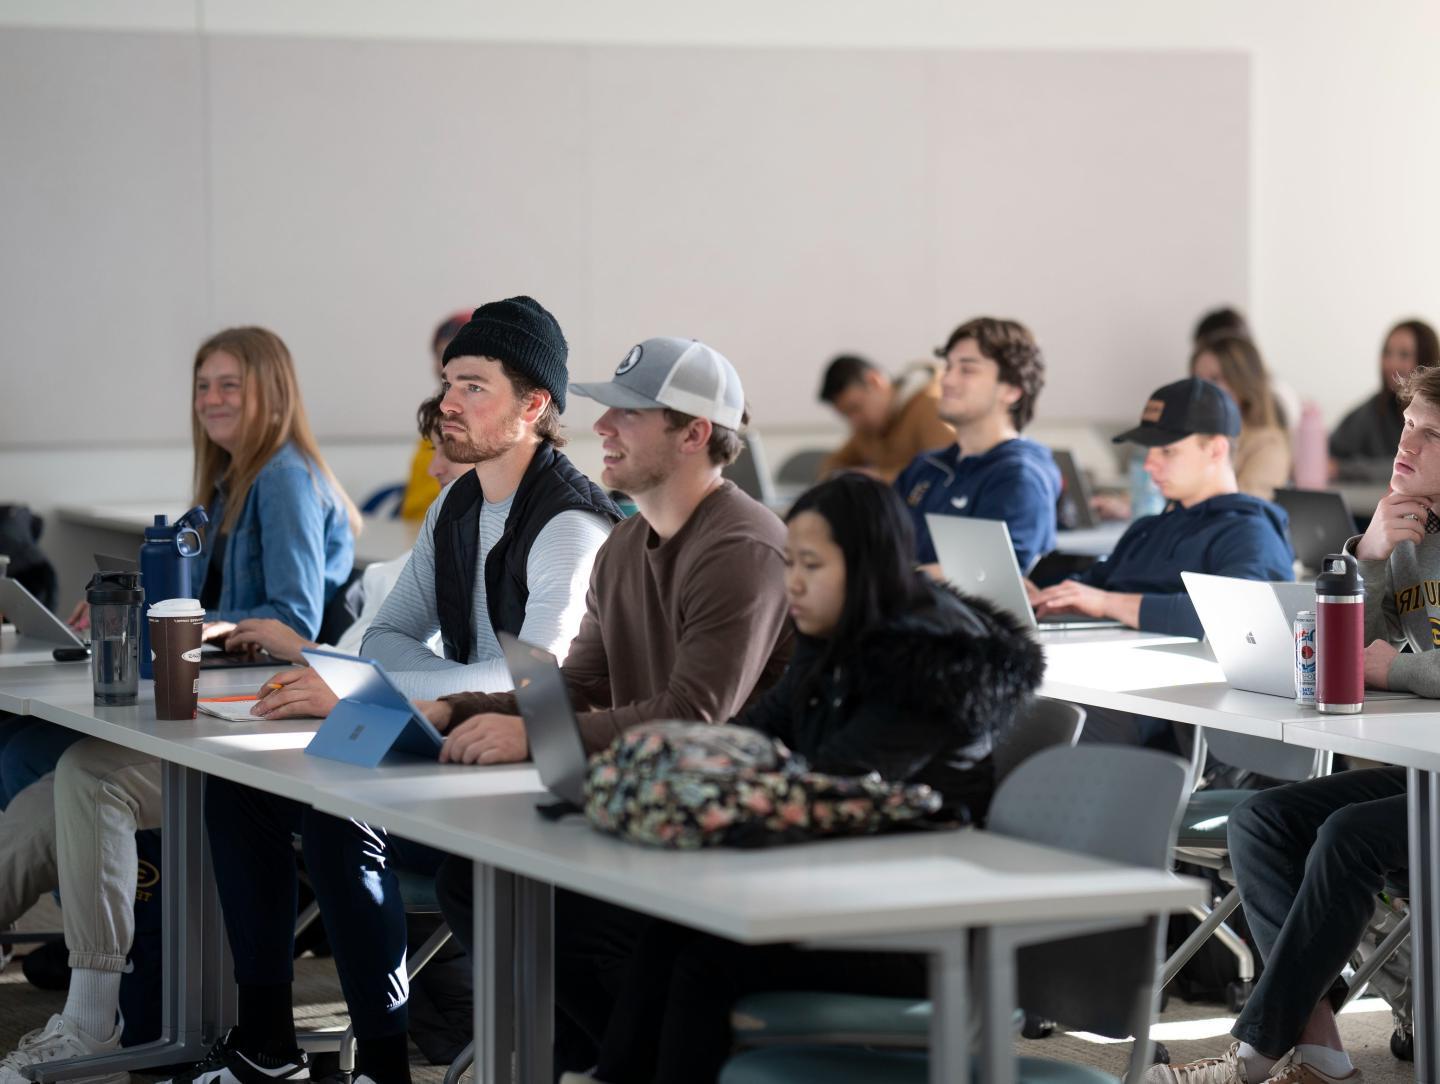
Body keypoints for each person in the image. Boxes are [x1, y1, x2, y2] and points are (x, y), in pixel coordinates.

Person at [184, 297, 620, 1084]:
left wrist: (384, 694)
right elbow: (387, 634)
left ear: (535, 406)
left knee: (335, 802)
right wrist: (397, 694)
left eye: (475, 386)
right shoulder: (459, 500)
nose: (448, 401)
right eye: (449, 380)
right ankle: (266, 1044)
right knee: (244, 784)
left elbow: (536, 685)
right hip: (441, 733)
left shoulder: (570, 525)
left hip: (522, 764)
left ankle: (382, 1066)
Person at [562, 473, 1045, 1084]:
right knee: (665, 931)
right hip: (841, 888)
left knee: (706, 962)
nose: (792, 582)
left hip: (921, 925)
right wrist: (680, 759)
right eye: (790, 561)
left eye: (811, 565)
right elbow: (755, 734)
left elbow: (828, 786)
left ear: (868, 566)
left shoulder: (933, 668)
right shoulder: (839, 630)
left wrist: (708, 783)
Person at [0, 327, 358, 1084]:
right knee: (40, 776)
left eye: (230, 384)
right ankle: (93, 999)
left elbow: (292, 622)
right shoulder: (230, 484)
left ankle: (99, 1007)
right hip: (216, 712)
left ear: (272, 392)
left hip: (256, 732)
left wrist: (198, 621)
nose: (212, 400)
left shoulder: (284, 480)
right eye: (203, 386)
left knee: (64, 767)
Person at [427, 336, 794, 1073]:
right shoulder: (626, 545)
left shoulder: (743, 547)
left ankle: (646, 1058)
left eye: (627, 413)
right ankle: (623, 1055)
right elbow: (581, 683)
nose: (601, 427)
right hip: (648, 807)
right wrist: (459, 710)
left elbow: (695, 714)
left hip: (727, 834)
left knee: (536, 899)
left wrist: (532, 738)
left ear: (693, 434)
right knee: (473, 877)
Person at [1145, 367, 1440, 1084]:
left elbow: (1381, 667)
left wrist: (1393, 671)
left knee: (1345, 837)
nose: (1406, 445)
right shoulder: (1406, 535)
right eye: (1408, 426)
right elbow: (1345, 662)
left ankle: (1252, 1059)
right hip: (1426, 777)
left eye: (1431, 435)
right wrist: (1365, 561)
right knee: (1261, 823)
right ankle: (1320, 1053)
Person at [1031, 378, 1293, 748]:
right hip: (1107, 683)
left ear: (1216, 450)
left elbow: (1239, 626)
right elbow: (1093, 587)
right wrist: (1048, 596)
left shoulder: (1249, 533)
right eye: (1149, 450)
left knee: (1041, 720)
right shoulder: (1149, 528)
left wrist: (1108, 604)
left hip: (1169, 715)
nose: (1149, 464)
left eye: (1167, 451)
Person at [222, 394, 471, 663]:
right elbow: (366, 660)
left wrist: (301, 649)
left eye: (449, 447)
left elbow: (383, 673)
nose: (434, 468)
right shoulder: (414, 563)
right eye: (434, 449)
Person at [893, 317, 1060, 573]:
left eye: (967, 370)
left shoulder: (1019, 476)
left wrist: (887, 580)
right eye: (948, 367)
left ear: (1012, 390)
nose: (946, 380)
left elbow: (991, 577)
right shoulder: (925, 467)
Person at [1330, 318, 1440, 482]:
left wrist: (1343, 469)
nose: (1392, 364)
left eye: (1404, 355)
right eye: (1387, 353)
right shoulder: (1373, 410)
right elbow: (1331, 453)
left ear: (1425, 360)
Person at [815, 354, 954, 482]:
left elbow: (945, 471)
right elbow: (835, 463)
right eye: (846, 415)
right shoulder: (868, 428)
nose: (854, 422)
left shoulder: (932, 406)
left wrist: (876, 479)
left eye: (855, 408)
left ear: (874, 381)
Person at [1190, 332, 1291, 499]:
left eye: (1215, 379)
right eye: (1197, 380)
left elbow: (1243, 509)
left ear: (1243, 383)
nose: (1201, 390)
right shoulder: (1189, 436)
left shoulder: (1269, 445)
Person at [399, 310, 469, 520]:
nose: (444, 363)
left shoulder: (479, 423)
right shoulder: (433, 415)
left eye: (455, 353)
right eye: (440, 354)